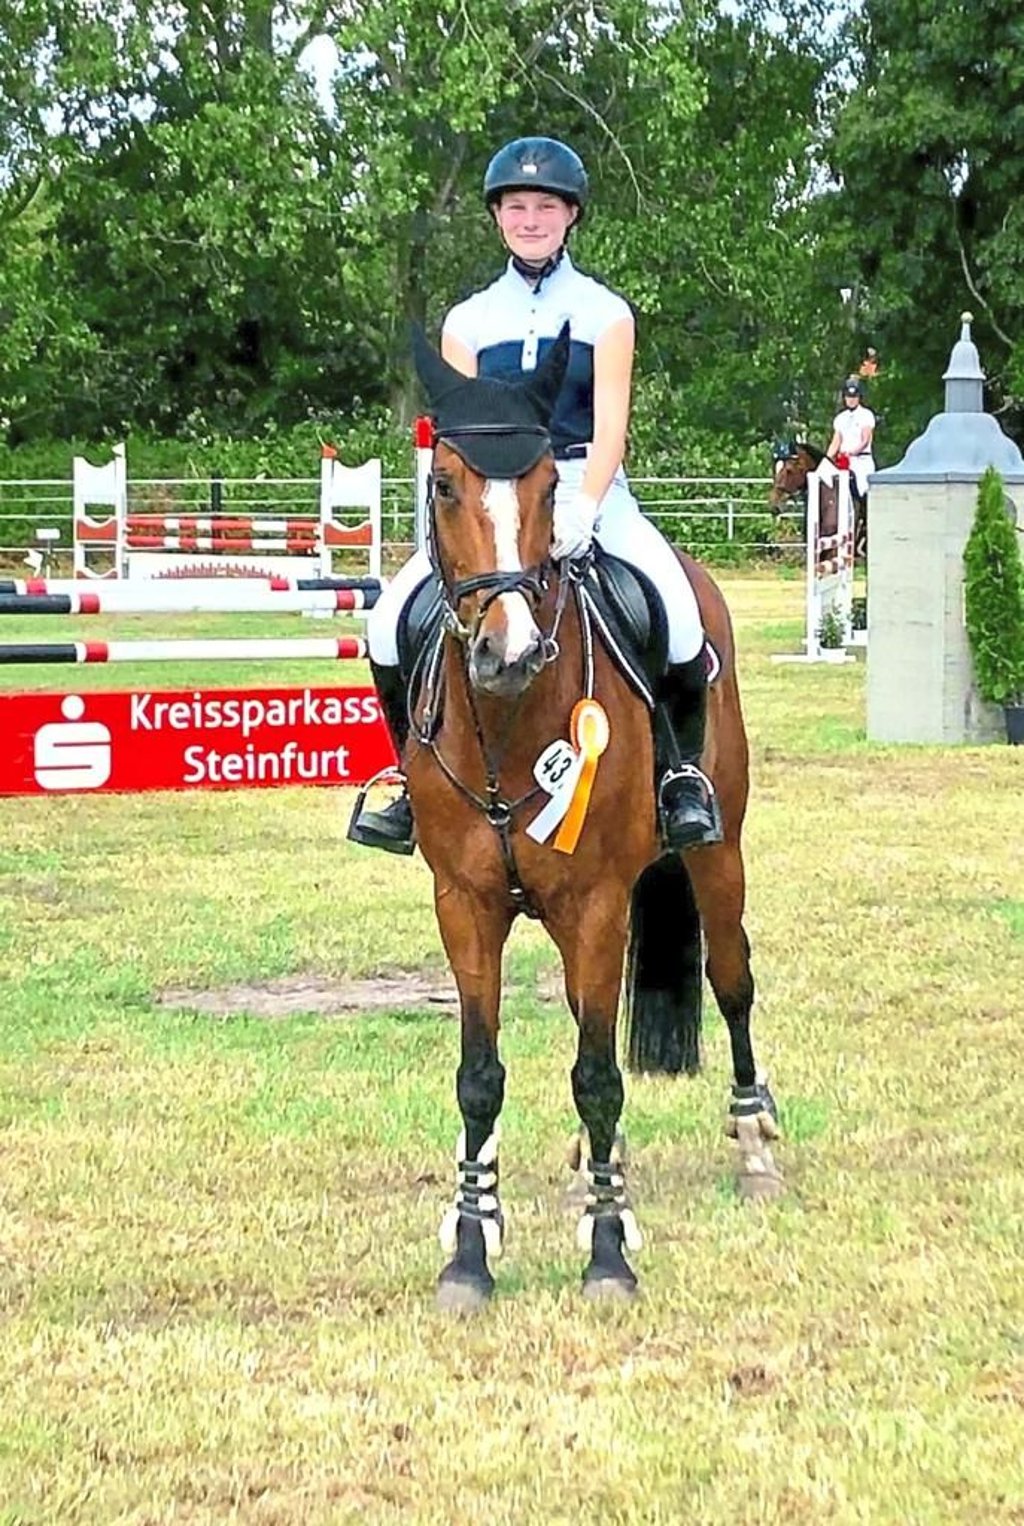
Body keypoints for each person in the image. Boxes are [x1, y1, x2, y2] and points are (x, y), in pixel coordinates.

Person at [349, 136, 721, 856]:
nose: (530, 218)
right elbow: (455, 434)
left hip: (586, 487)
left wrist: (581, 503)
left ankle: (677, 778)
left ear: (570, 215)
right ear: (496, 217)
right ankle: (404, 776)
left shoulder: (606, 313)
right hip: (491, 505)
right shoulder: (468, 321)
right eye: (516, 206)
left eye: (544, 206)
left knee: (677, 613)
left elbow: (611, 428)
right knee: (387, 620)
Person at [819, 377, 876, 504]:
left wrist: (851, 452)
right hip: (843, 459)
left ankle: (864, 515)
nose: (851, 400)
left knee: (863, 489)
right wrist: (827, 458)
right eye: (848, 397)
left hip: (861, 460)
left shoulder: (866, 415)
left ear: (859, 397)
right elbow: (836, 441)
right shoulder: (840, 418)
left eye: (854, 396)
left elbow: (865, 439)